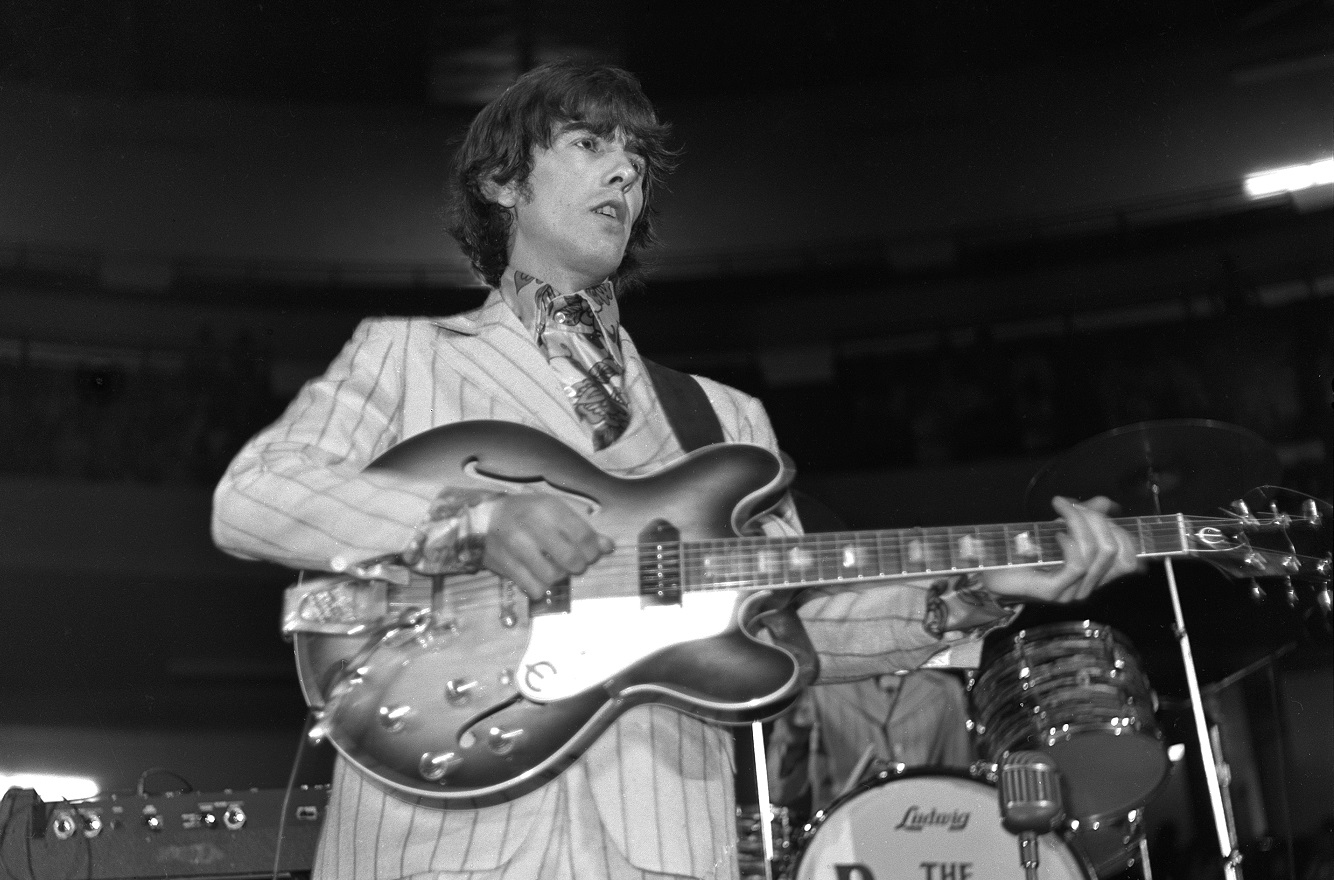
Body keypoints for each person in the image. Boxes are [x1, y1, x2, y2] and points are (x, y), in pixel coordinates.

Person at [211, 60, 1141, 880]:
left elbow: (797, 630)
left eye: (637, 158)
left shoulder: (723, 420)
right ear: (502, 181)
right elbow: (254, 496)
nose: (626, 169)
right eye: (589, 143)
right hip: (438, 836)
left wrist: (969, 593)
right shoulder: (406, 358)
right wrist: (472, 521)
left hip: (661, 846)